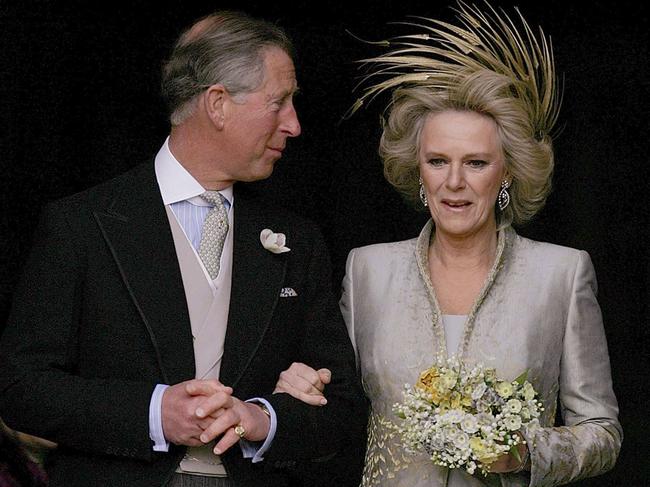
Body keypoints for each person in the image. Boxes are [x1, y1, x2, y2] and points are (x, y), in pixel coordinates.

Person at [0, 11, 366, 487]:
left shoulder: (298, 240)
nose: (294, 125)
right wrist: (153, 413)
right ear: (217, 104)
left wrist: (263, 419)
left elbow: (343, 406)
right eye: (279, 103)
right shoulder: (82, 225)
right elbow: (19, 386)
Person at [274, 3, 622, 486]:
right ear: (418, 171)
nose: (454, 182)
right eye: (438, 161)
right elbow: (338, 406)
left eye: (476, 163)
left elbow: (601, 431)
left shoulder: (560, 274)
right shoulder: (368, 271)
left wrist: (527, 451)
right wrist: (303, 388)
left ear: (507, 173)